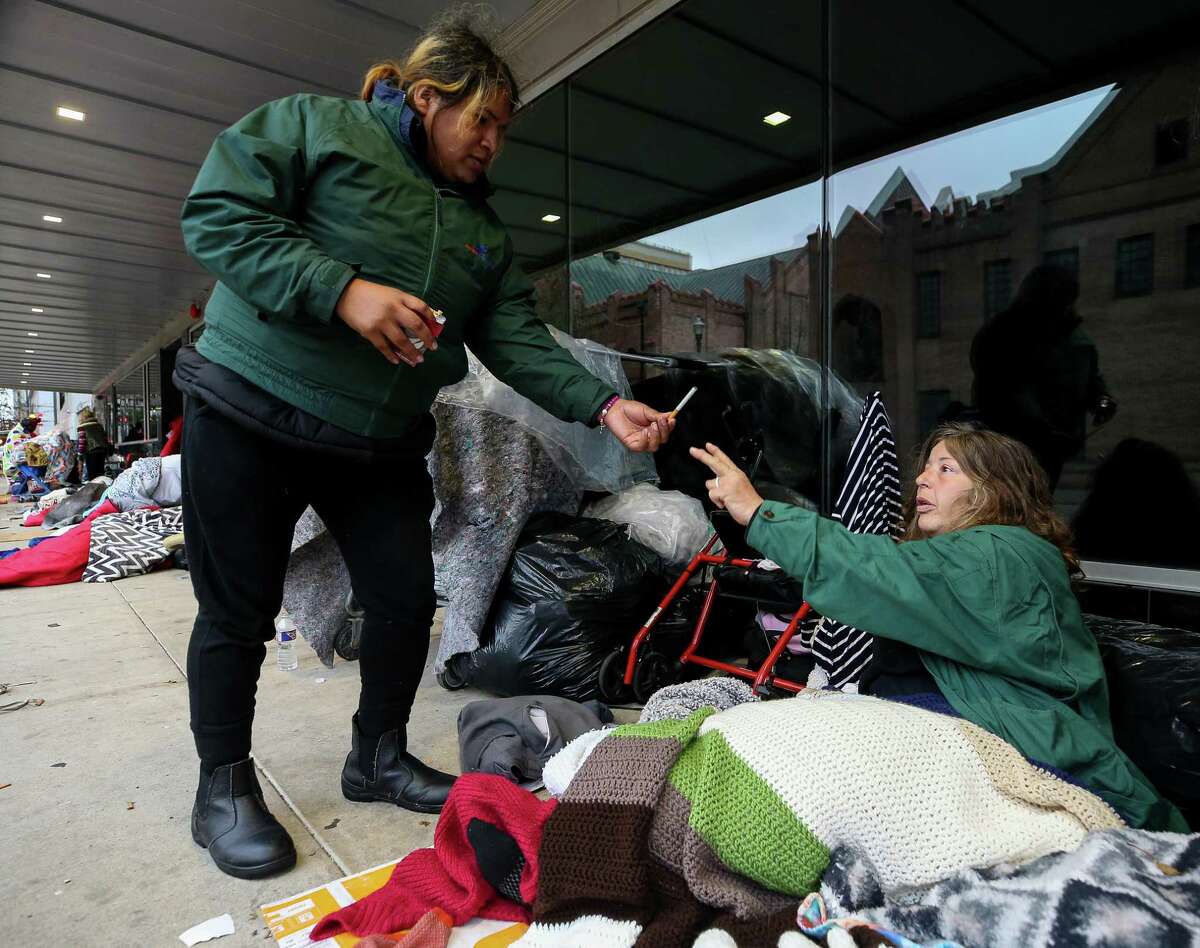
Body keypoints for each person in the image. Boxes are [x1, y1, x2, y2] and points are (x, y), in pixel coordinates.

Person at [175, 10, 673, 880]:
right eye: (483, 121)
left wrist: (602, 406)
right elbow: (218, 216)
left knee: (405, 601)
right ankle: (221, 787)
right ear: (427, 98)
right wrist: (342, 290)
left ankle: (378, 755)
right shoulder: (313, 127)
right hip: (250, 408)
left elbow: (514, 337)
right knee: (237, 610)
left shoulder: (483, 230)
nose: (493, 143)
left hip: (375, 441)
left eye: (504, 129)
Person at [691, 423, 1186, 832]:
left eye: (946, 469)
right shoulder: (969, 557)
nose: (923, 480)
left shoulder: (1001, 554)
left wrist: (759, 513)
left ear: (994, 490)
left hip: (1015, 746)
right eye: (925, 468)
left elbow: (876, 570)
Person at [970, 264, 1116, 489]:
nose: (1064, 307)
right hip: (1009, 448)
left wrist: (1100, 398)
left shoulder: (1073, 338)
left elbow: (1089, 377)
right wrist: (1045, 430)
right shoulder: (1002, 335)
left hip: (1049, 449)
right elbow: (1000, 390)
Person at [75, 407, 111, 481]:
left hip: (91, 453)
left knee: (93, 476)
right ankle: (101, 486)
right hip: (102, 452)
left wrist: (80, 457)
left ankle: (95, 487)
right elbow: (105, 439)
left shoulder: (82, 427)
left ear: (83, 417)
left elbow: (81, 444)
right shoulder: (99, 425)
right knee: (100, 475)